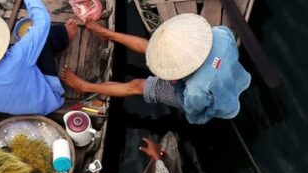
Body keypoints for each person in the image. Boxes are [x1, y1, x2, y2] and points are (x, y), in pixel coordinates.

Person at [61, 13, 250, 124]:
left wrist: (179, 83)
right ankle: (106, 33)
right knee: (153, 47)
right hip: (236, 78)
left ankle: (85, 87)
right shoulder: (221, 36)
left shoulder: (195, 90)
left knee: (137, 85)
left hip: (205, 98)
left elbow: (194, 112)